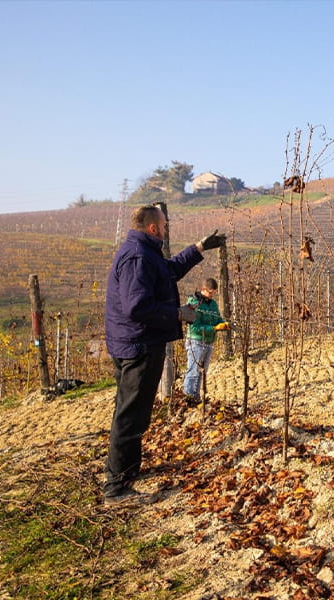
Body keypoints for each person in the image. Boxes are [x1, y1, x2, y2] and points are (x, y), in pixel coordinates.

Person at [103, 204, 226, 505]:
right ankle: (116, 488)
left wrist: (199, 248)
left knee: (135, 411)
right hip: (138, 346)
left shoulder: (144, 252)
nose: (167, 227)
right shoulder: (137, 257)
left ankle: (129, 470)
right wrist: (178, 314)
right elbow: (137, 307)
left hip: (135, 342)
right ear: (153, 228)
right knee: (130, 415)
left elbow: (168, 271)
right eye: (165, 224)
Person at [182, 278, 229, 402]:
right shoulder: (194, 303)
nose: (212, 294)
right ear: (203, 289)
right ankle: (188, 397)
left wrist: (223, 324)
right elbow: (195, 328)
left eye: (213, 292)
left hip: (209, 342)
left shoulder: (212, 304)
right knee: (193, 371)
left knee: (202, 372)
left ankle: (196, 397)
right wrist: (214, 328)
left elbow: (217, 318)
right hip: (196, 342)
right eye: (210, 292)